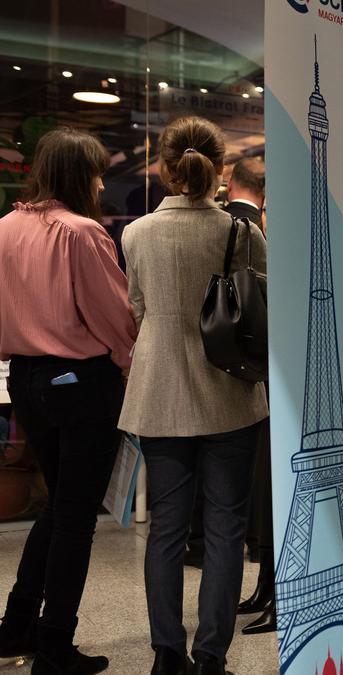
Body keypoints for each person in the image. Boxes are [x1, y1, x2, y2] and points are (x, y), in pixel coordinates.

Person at [120, 116, 268, 675]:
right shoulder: (241, 233)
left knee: (165, 526)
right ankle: (211, 657)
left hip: (159, 392)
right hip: (228, 391)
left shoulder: (136, 234)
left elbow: (138, 310)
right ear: (220, 168)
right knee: (226, 527)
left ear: (165, 167)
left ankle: (166, 654)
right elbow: (260, 311)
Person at [0, 128, 137, 675]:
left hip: (25, 379)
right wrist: (128, 364)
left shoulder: (6, 227)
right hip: (81, 383)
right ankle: (55, 645)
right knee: (76, 518)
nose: (102, 184)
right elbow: (115, 316)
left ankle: (16, 626)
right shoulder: (82, 233)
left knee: (59, 504)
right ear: (81, 175)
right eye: (98, 172)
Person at [218, 156, 275, 636]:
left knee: (268, 485)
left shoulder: (242, 228)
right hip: (260, 369)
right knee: (264, 485)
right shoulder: (252, 230)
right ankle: (267, 582)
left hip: (257, 369)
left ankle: (272, 585)